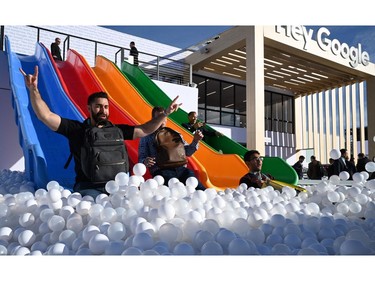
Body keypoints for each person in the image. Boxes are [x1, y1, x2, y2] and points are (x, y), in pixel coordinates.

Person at [19, 66, 181, 198]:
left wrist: (165, 114)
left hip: (118, 188)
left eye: (105, 107)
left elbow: (145, 129)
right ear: (89, 108)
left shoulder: (117, 131)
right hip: (89, 189)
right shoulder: (77, 130)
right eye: (98, 106)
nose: (103, 110)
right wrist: (34, 90)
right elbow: (45, 116)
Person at [138, 106, 206, 191]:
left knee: (200, 189)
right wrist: (145, 161)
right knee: (176, 191)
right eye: (158, 118)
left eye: (163, 117)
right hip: (161, 171)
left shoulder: (175, 133)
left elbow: (187, 152)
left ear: (166, 119)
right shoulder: (146, 136)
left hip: (182, 169)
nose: (161, 120)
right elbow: (141, 158)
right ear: (153, 119)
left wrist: (195, 141)